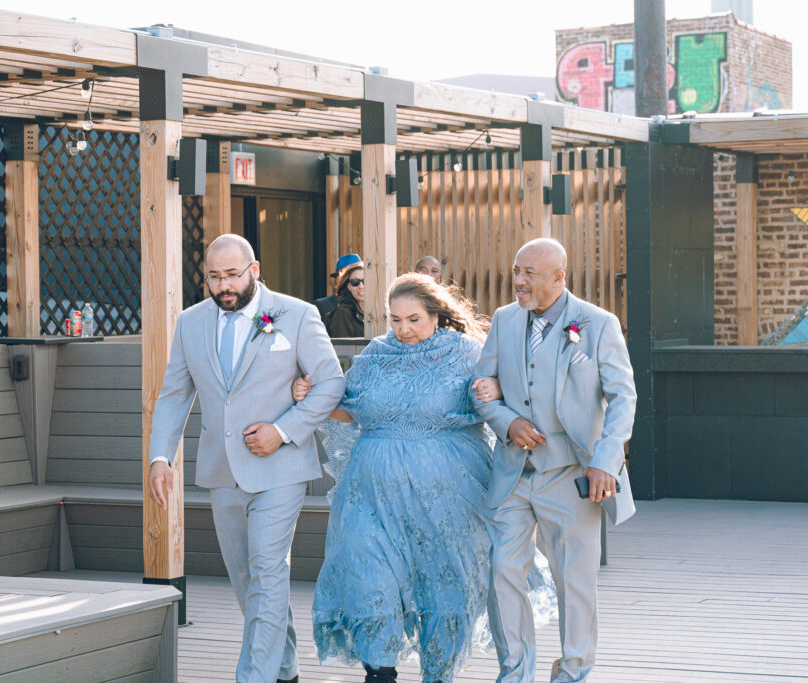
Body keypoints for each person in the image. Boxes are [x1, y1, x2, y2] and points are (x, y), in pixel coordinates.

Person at [147, 234, 344, 683]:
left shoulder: (297, 315)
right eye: (214, 277)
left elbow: (331, 383)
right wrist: (161, 456)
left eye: (233, 274)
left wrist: (284, 430)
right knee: (246, 580)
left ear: (254, 269)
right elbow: (175, 395)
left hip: (281, 469)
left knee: (268, 571)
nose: (224, 286)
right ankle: (286, 668)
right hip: (221, 470)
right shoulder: (190, 323)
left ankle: (254, 676)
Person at [293, 273, 492, 683]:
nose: (403, 329)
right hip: (371, 493)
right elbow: (350, 409)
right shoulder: (375, 355)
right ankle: (379, 672)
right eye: (395, 319)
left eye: (414, 319)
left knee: (443, 585)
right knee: (370, 579)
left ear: (437, 315)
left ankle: (438, 674)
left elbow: (494, 406)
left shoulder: (468, 355)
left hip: (446, 495)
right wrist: (308, 397)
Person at [471, 238, 637, 683]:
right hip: (512, 471)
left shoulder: (598, 324)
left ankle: (573, 672)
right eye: (516, 270)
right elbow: (481, 384)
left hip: (573, 471)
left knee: (574, 579)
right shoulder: (505, 320)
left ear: (559, 277)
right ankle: (515, 671)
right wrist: (507, 421)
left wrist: (606, 459)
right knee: (502, 569)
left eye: (530, 273)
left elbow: (623, 397)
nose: (519, 281)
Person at [314, 253, 362, 323]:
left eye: (362, 279)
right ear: (338, 279)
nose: (360, 285)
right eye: (354, 280)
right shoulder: (321, 306)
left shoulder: (371, 307)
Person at [328, 260, 366, 338]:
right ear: (348, 286)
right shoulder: (342, 313)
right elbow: (343, 349)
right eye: (355, 282)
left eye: (365, 281)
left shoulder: (379, 312)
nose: (361, 286)